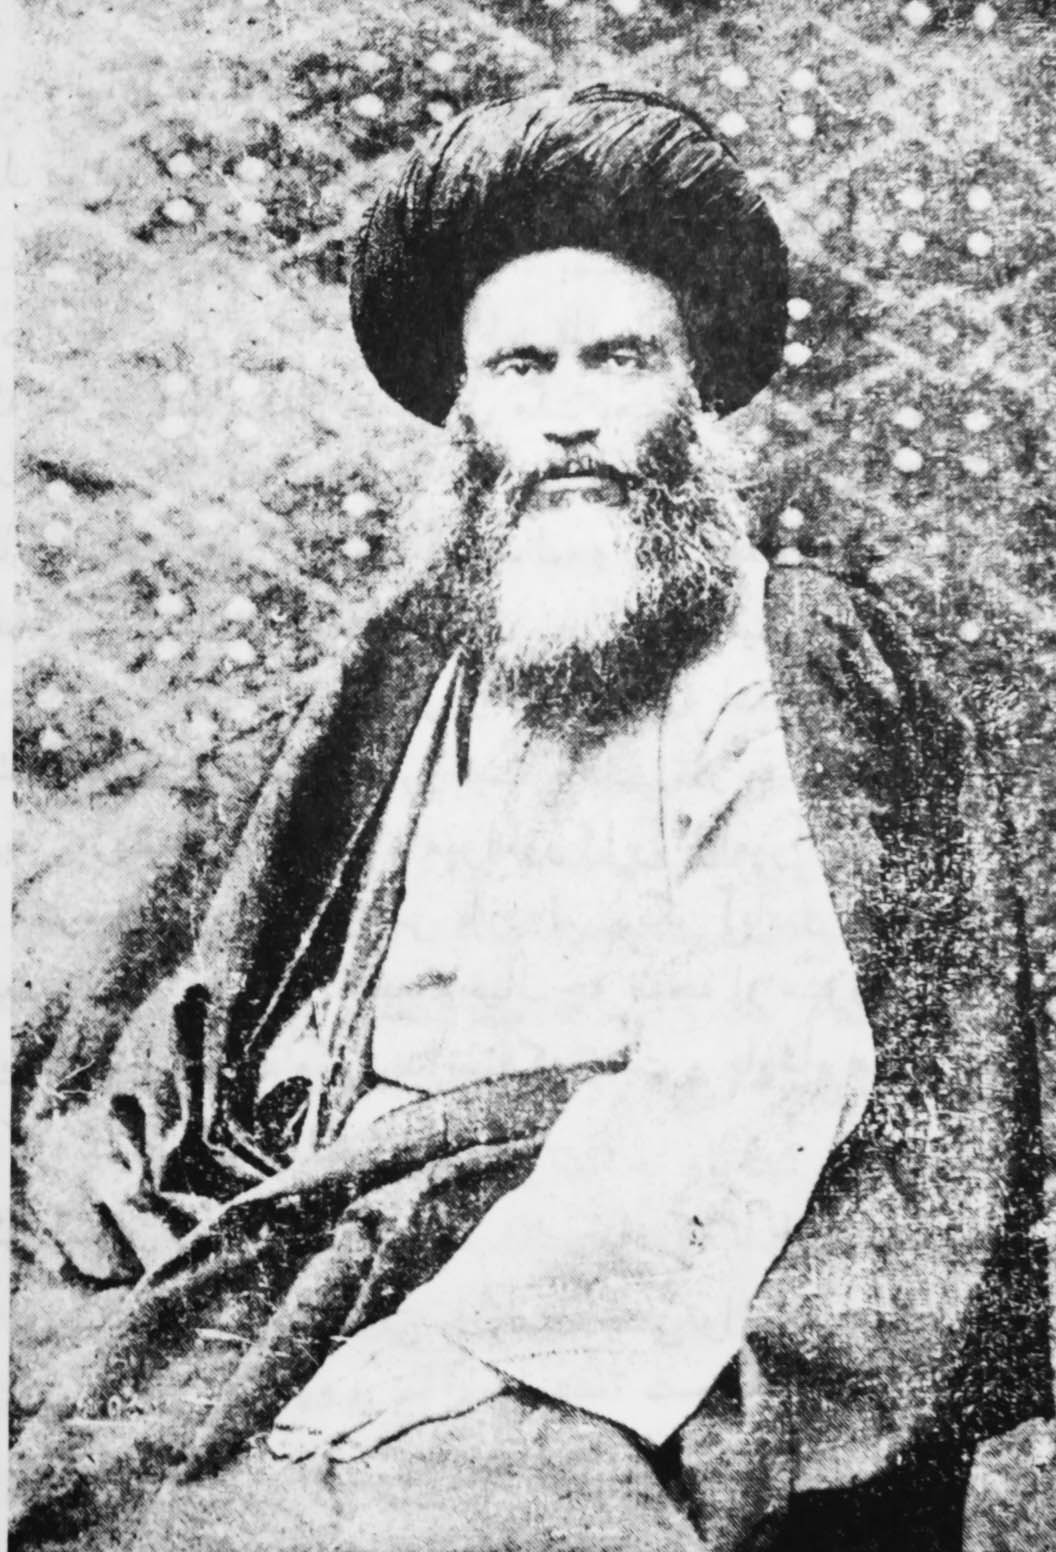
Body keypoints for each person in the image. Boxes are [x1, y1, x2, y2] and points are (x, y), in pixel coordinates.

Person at [11, 86, 1051, 1552]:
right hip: (352, 1200)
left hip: (631, 1250)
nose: (569, 414)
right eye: (521, 368)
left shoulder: (790, 659)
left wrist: (482, 1335)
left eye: (618, 359)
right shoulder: (420, 657)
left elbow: (763, 1062)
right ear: (468, 415)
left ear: (694, 395)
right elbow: (235, 945)